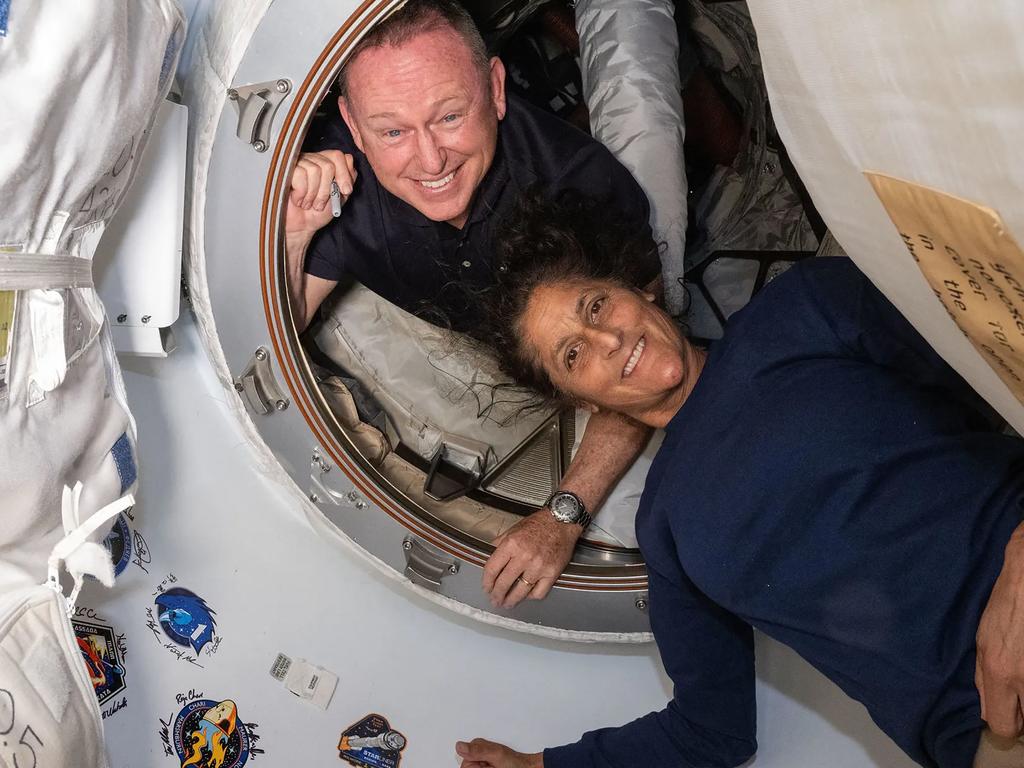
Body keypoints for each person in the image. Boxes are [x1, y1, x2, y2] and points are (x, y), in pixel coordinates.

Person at [454, 193, 1024, 768]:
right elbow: (710, 731)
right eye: (574, 354)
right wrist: (541, 765)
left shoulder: (801, 310)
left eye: (597, 306)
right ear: (578, 400)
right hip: (984, 735)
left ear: (638, 287)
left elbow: (1009, 369)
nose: (608, 341)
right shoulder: (665, 528)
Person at [285, 0, 663, 607]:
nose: (430, 160)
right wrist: (298, 230)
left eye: (450, 116)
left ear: (494, 88)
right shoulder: (338, 182)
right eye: (392, 131)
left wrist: (562, 515)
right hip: (471, 337)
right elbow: (283, 327)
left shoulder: (581, 188)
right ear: (353, 128)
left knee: (644, 113)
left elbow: (646, 365)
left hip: (567, 339)